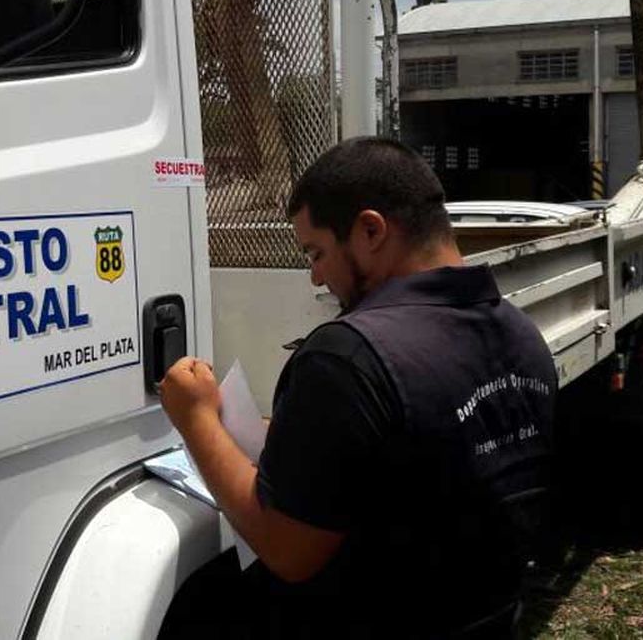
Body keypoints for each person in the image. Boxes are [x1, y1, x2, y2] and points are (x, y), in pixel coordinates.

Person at [158, 137, 557, 638]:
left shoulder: (348, 356)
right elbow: (417, 453)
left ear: (370, 230)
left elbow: (286, 550)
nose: (315, 277)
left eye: (317, 252)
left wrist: (195, 419)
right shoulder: (523, 337)